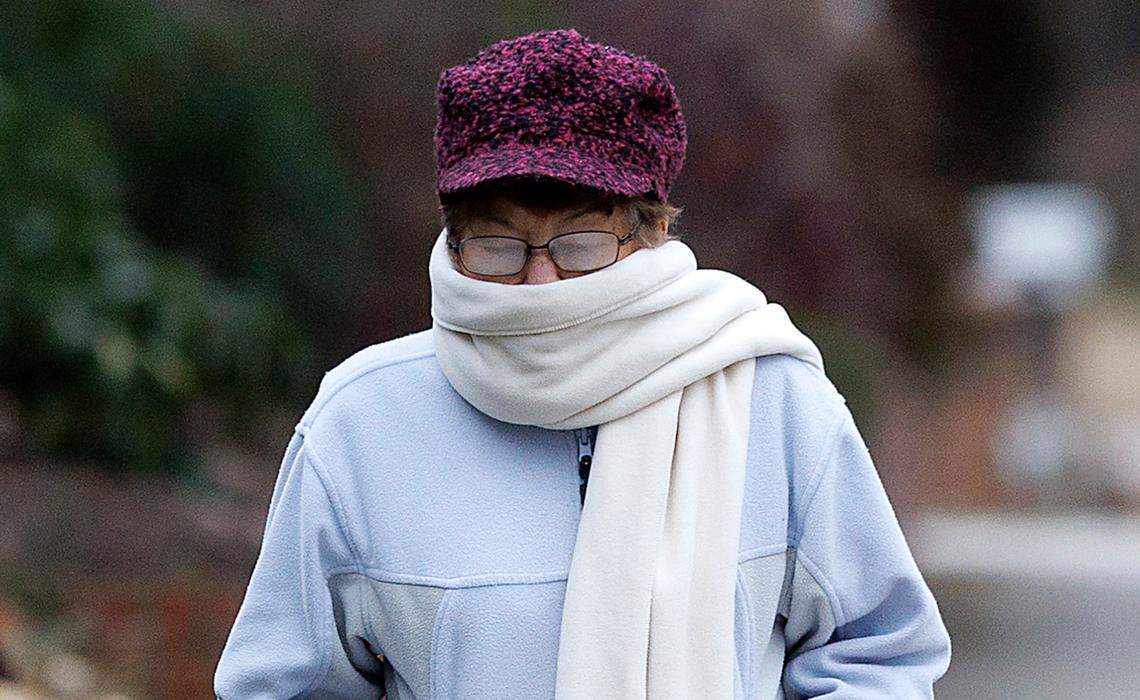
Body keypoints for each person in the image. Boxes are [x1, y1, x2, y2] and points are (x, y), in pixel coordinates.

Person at [214, 28, 951, 699]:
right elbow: (282, 685)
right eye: (499, 246)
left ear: (648, 233)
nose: (541, 284)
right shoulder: (361, 425)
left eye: (579, 245)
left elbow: (879, 652)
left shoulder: (774, 399)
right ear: (451, 240)